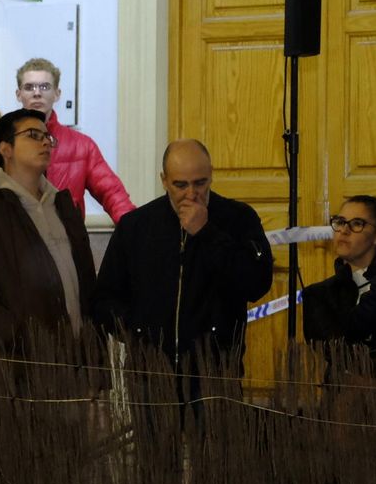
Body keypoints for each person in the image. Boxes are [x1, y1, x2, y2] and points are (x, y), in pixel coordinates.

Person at [95, 140, 272, 374]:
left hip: (215, 370)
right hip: (151, 372)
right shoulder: (136, 226)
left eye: (200, 183)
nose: (191, 194)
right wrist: (139, 333)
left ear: (211, 175)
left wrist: (207, 233)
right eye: (180, 185)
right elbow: (106, 298)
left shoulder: (239, 219)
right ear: (164, 180)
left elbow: (256, 284)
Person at [0, 109, 97, 345]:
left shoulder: (62, 206)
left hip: (74, 358)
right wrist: (17, 335)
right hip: (19, 364)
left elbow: (85, 281)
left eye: (48, 137)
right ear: (6, 149)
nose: (45, 141)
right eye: (33, 135)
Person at [14, 58, 134, 223]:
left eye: (44, 86)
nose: (37, 93)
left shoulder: (81, 145)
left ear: (57, 94)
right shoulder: (4, 142)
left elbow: (112, 192)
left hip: (67, 241)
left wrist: (134, 229)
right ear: (18, 94)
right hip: (17, 240)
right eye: (29, 87)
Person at [304, 194, 376, 357]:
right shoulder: (317, 294)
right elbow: (335, 351)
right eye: (340, 222)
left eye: (357, 223)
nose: (344, 230)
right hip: (345, 380)